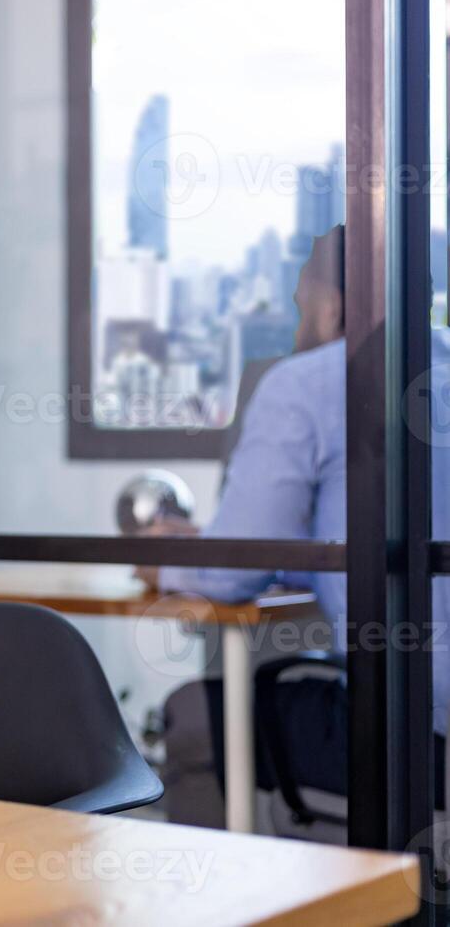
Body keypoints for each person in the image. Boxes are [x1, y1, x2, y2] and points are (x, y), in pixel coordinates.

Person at [150, 223, 450, 802]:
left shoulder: (307, 384)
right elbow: (393, 546)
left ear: (334, 309)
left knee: (190, 720)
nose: (295, 324)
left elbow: (235, 574)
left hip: (416, 736)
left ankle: (278, 893)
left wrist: (163, 560)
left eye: (300, 306)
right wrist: (257, 548)